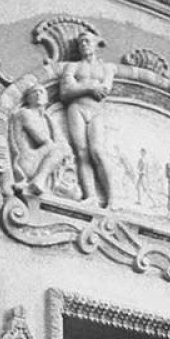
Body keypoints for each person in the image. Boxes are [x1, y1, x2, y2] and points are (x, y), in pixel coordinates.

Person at [58, 29, 115, 206]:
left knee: (97, 150)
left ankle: (112, 197)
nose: (83, 45)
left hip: (96, 110)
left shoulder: (107, 68)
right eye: (81, 42)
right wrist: (90, 87)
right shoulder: (73, 67)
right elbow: (66, 92)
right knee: (82, 153)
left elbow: (104, 91)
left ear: (96, 44)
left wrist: (82, 86)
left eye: (87, 41)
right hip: (76, 109)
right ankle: (91, 196)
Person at [9, 82, 71, 196]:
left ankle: (41, 181)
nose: (38, 94)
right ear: (28, 99)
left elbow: (63, 144)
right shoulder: (24, 113)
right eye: (34, 92)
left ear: (46, 99)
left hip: (38, 160)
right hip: (26, 162)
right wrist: (62, 150)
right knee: (57, 150)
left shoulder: (46, 118)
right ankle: (39, 180)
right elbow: (43, 140)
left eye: (41, 92)